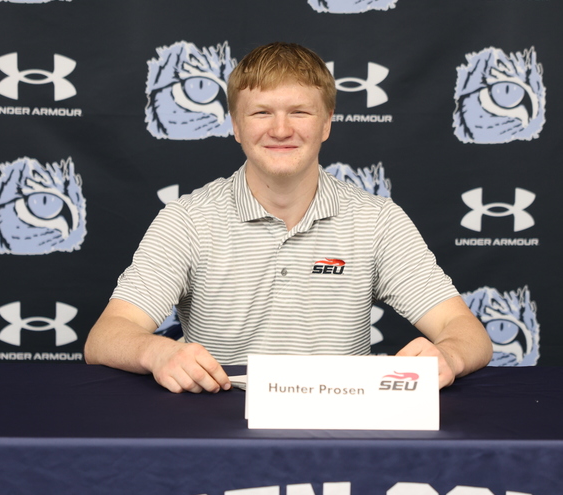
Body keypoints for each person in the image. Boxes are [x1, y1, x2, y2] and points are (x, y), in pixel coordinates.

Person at [85, 42, 492, 393]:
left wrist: (447, 356)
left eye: (299, 112)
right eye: (261, 113)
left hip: (343, 422)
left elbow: (465, 330)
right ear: (236, 127)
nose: (281, 129)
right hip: (220, 419)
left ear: (327, 123)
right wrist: (158, 351)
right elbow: (106, 337)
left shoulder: (377, 220)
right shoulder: (188, 220)